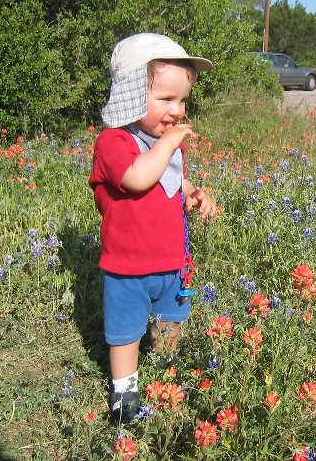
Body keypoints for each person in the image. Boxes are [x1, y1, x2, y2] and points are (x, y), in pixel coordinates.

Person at [89, 33, 217, 423]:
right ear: (130, 94)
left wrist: (193, 192)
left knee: (170, 324)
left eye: (182, 100)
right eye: (165, 99)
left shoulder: (165, 142)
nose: (177, 110)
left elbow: (171, 179)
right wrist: (169, 144)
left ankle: (165, 378)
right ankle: (125, 397)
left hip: (171, 262)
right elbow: (138, 177)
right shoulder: (113, 142)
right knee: (125, 334)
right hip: (127, 267)